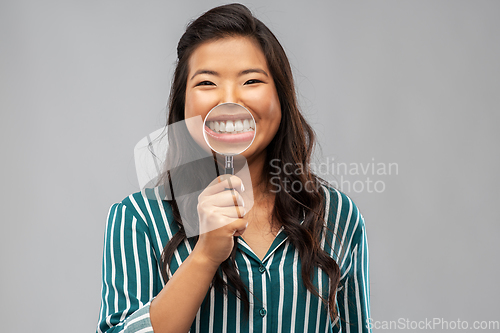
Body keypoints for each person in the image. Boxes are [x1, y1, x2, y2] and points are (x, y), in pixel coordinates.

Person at [96, 3, 371, 333]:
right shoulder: (137, 218)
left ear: (281, 99)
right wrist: (204, 256)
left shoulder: (337, 215)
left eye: (251, 80)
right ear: (182, 104)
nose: (230, 101)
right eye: (207, 83)